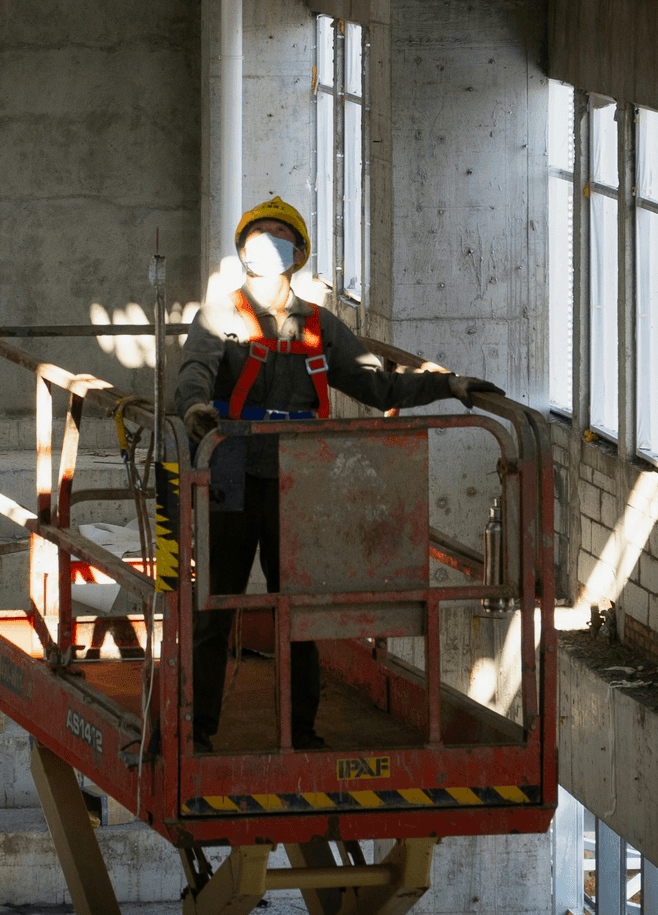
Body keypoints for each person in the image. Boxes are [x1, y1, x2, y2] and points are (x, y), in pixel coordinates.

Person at [174, 196, 500, 751]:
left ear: (298, 254)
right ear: (243, 251)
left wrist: (447, 384)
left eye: (279, 235)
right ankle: (197, 729)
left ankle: (299, 731)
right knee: (214, 603)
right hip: (229, 462)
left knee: (300, 613)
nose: (267, 244)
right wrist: (196, 410)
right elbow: (195, 372)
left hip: (302, 474)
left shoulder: (321, 327)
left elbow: (379, 385)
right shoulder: (219, 317)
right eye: (258, 235)